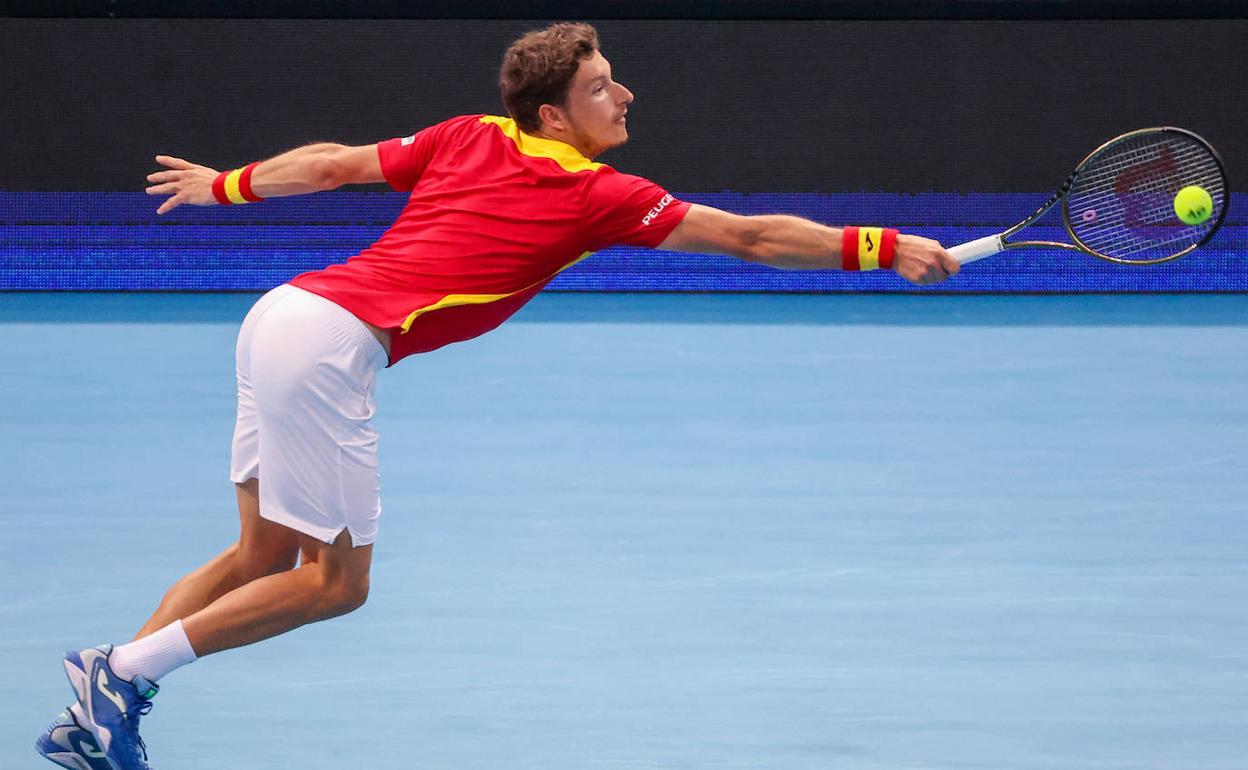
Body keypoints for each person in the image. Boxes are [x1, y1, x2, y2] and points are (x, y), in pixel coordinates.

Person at [36, 21, 959, 770]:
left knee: (262, 551)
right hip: (328, 349)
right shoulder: (600, 193)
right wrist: (878, 245)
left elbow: (328, 164)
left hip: (280, 316)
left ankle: (101, 717)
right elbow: (749, 239)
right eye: (603, 86)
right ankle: (119, 668)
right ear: (555, 115)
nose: (625, 94)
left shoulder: (466, 134)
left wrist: (225, 186)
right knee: (334, 584)